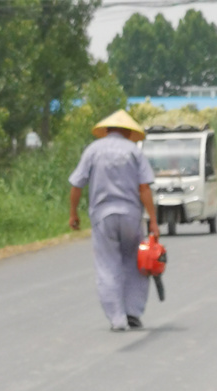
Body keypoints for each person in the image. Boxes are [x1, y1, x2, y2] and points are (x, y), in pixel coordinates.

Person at [68, 109, 160, 331]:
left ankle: (117, 319)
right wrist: (153, 221)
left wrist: (73, 213)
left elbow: (76, 185)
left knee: (107, 265)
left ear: (107, 131)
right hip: (130, 215)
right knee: (135, 263)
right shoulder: (133, 152)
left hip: (103, 216)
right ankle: (133, 312)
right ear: (129, 132)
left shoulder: (92, 150)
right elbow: (144, 188)